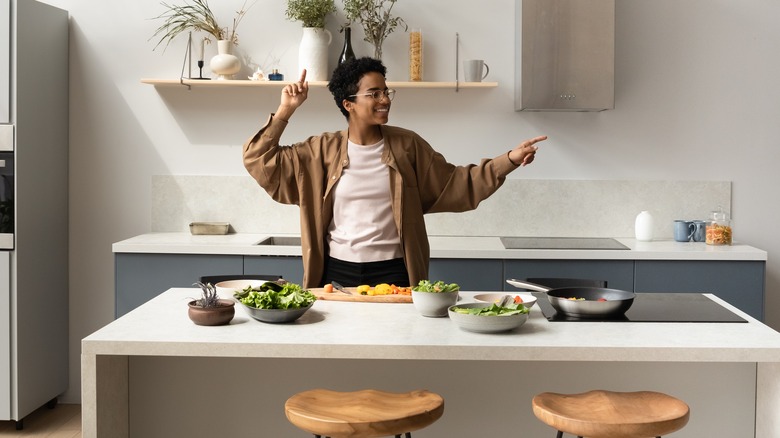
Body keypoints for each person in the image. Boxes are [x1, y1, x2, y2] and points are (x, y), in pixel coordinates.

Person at [243, 57, 546, 289]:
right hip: (334, 274)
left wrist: (509, 159)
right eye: (373, 93)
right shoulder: (319, 150)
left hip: (396, 273)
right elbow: (259, 159)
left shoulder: (407, 146)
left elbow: (458, 183)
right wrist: (285, 111)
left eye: (386, 91)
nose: (384, 99)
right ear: (349, 104)